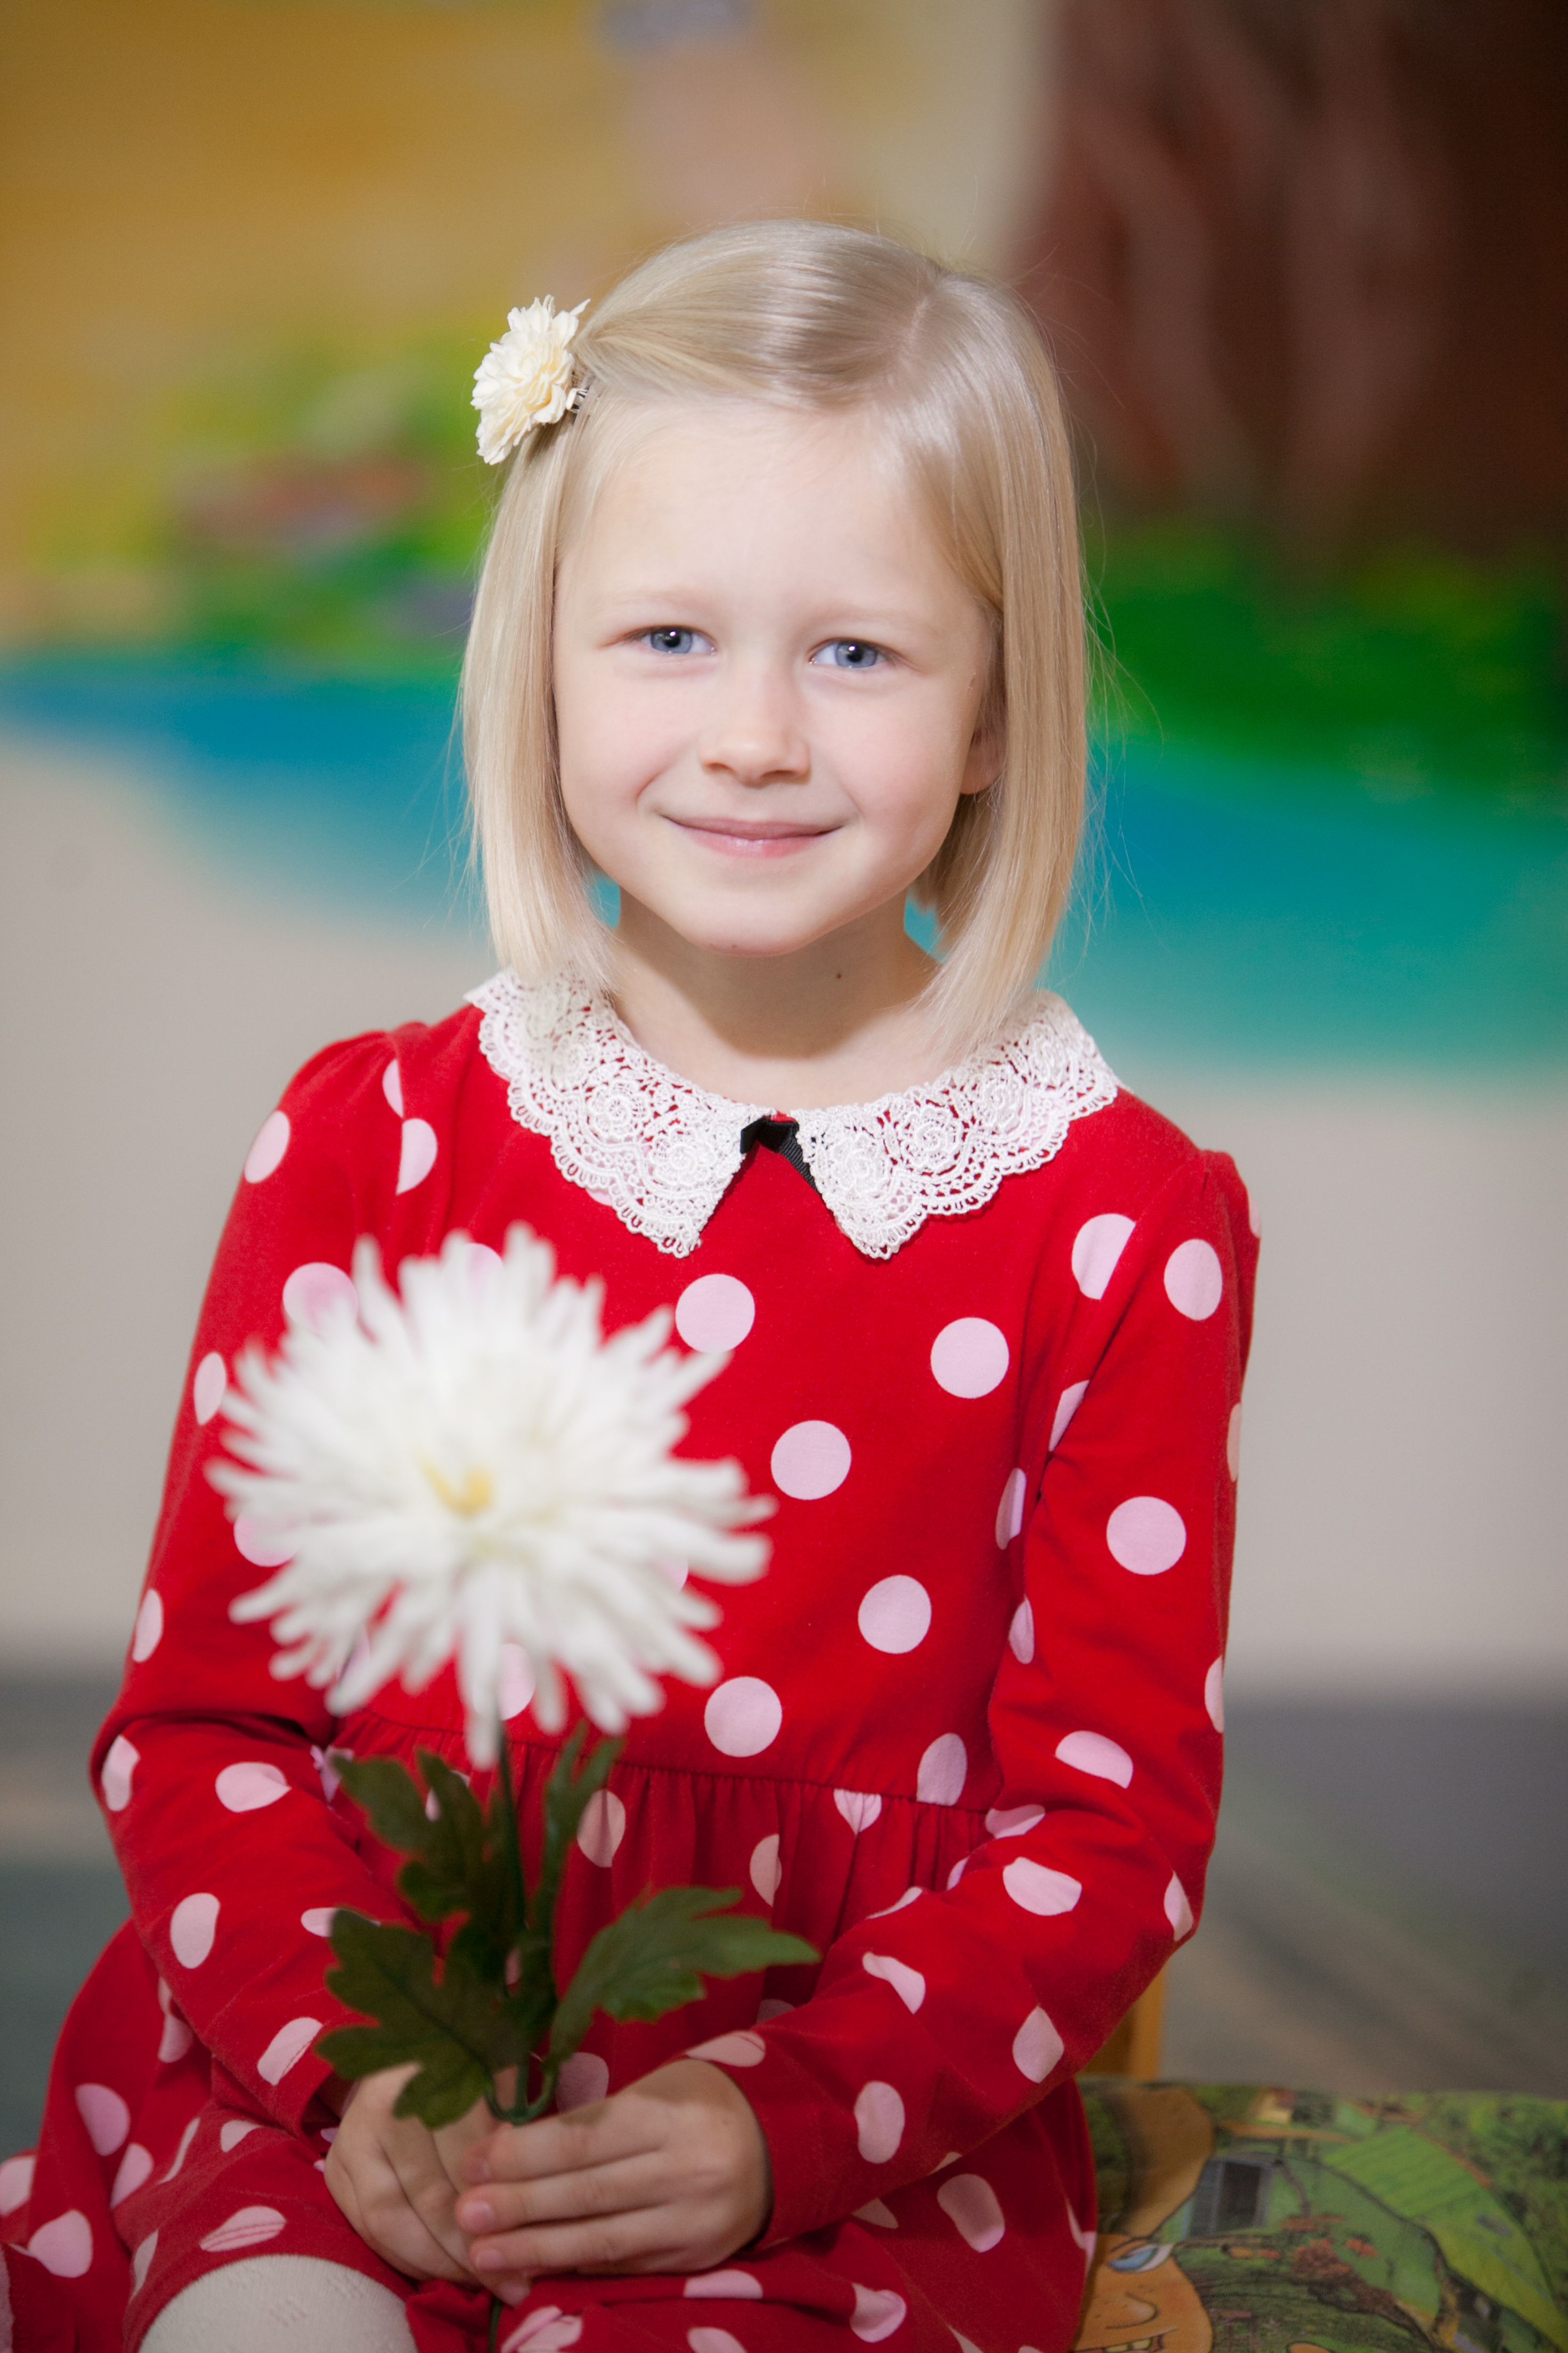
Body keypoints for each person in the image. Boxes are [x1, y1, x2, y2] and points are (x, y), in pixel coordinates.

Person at [3, 221, 1256, 2353]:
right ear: (547, 668)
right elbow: (210, 1724)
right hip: (347, 2079)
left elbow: (1102, 1836)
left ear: (992, 716)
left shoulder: (1117, 1221)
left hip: (833, 2147)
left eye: (856, 653)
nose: (753, 735)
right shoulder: (376, 1140)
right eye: (669, 636)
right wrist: (358, 2067)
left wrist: (788, 2121)